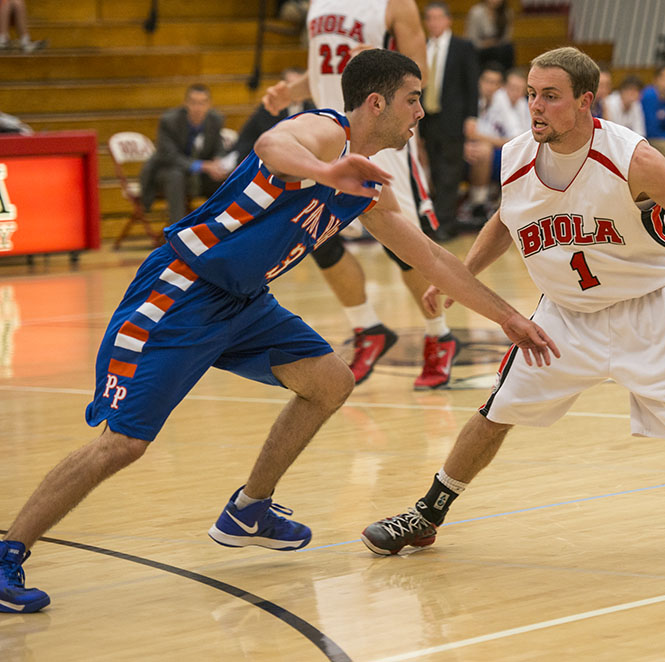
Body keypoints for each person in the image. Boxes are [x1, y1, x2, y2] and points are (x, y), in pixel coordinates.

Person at [0, 48, 558, 615]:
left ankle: (250, 507)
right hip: (182, 293)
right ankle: (8, 552)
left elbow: (434, 260)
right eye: (413, 100)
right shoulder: (323, 132)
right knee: (124, 443)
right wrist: (324, 172)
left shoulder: (368, 185)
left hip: (244, 304)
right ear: (376, 102)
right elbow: (272, 144)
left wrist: (509, 318)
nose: (421, 113)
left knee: (330, 380)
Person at [360, 47, 665, 557]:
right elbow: (506, 217)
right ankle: (427, 514)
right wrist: (462, 275)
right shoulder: (517, 155)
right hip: (564, 315)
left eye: (551, 97)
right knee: (496, 411)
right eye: (534, 95)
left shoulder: (632, 158)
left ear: (586, 102)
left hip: (650, 308)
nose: (536, 107)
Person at [263, 0, 459, 390]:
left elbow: (420, 71)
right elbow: (327, 67)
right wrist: (293, 90)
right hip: (328, 133)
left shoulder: (395, 4)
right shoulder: (318, 4)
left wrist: (381, 61)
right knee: (313, 234)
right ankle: (366, 326)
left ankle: (440, 334)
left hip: (382, 135)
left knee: (402, 244)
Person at [421, 1, 479, 238]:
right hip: (428, 118)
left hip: (453, 118)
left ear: (448, 20)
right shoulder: (422, 47)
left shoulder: (462, 47)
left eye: (438, 18)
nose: (434, 22)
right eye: (429, 18)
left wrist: (472, 116)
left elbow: (471, 83)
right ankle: (437, 221)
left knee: (450, 172)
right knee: (434, 171)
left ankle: (447, 223)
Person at [140, 84, 229, 225]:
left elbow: (218, 147)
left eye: (202, 103)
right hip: (164, 171)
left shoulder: (215, 119)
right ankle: (177, 230)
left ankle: (220, 227)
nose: (197, 107)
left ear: (209, 104)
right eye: (193, 102)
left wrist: (218, 161)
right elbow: (168, 156)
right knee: (175, 175)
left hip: (198, 175)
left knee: (223, 176)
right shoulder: (169, 121)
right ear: (186, 103)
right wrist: (203, 166)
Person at [464, 65, 529, 223]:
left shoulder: (519, 104)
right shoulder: (474, 97)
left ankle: (503, 205)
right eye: (512, 88)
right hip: (468, 147)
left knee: (522, 154)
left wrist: (480, 136)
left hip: (496, 149)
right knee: (487, 151)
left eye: (520, 89)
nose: (516, 93)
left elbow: (516, 139)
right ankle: (477, 204)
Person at [222, 67, 316, 171]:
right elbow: (274, 138)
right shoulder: (270, 107)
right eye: (291, 85)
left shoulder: (312, 107)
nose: (296, 91)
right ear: (283, 87)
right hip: (253, 159)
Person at [465, 0, 514, 72]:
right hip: (480, 49)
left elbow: (506, 37)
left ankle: (506, 76)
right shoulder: (476, 12)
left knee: (508, 48)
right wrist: (485, 44)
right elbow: (470, 38)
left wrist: (495, 43)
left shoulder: (507, 12)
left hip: (499, 47)